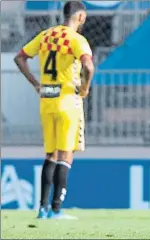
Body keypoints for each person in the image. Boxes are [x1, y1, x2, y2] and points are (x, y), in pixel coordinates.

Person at [14, 1, 95, 219]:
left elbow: (20, 57)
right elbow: (88, 66)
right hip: (68, 99)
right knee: (66, 155)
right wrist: (85, 88)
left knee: (50, 154)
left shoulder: (46, 36)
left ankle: (42, 208)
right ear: (81, 17)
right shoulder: (77, 40)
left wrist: (35, 83)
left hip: (47, 99)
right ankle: (56, 209)